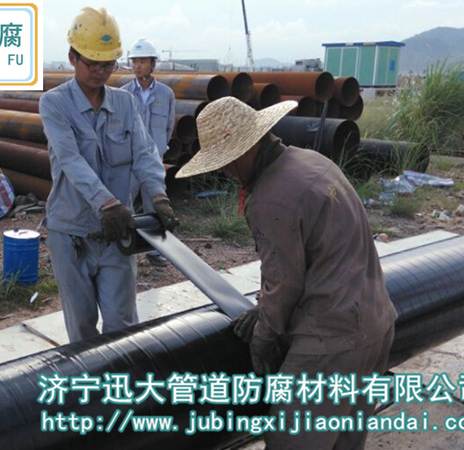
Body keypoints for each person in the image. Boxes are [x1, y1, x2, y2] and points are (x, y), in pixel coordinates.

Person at [176, 97, 397, 450]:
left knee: (292, 440)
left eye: (224, 162)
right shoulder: (311, 161)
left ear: (244, 150)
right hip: (376, 323)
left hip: (331, 344)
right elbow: (311, 256)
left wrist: (265, 335)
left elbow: (284, 281)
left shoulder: (270, 198)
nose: (225, 173)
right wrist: (264, 304)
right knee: (344, 441)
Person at [39, 7, 176, 343]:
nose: (100, 72)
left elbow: (144, 153)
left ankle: (122, 380)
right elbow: (71, 160)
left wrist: (158, 195)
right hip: (72, 233)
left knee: (123, 327)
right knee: (82, 328)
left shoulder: (125, 103)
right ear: (72, 58)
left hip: (118, 233)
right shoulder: (54, 104)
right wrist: (108, 203)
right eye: (92, 63)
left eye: (108, 64)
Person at [122, 38, 175, 267]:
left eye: (142, 61)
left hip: (154, 159)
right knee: (125, 200)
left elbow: (169, 126)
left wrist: (159, 149)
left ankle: (154, 250)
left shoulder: (166, 94)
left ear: (153, 64)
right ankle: (125, 245)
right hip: (130, 158)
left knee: (154, 203)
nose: (137, 66)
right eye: (134, 61)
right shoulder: (123, 94)